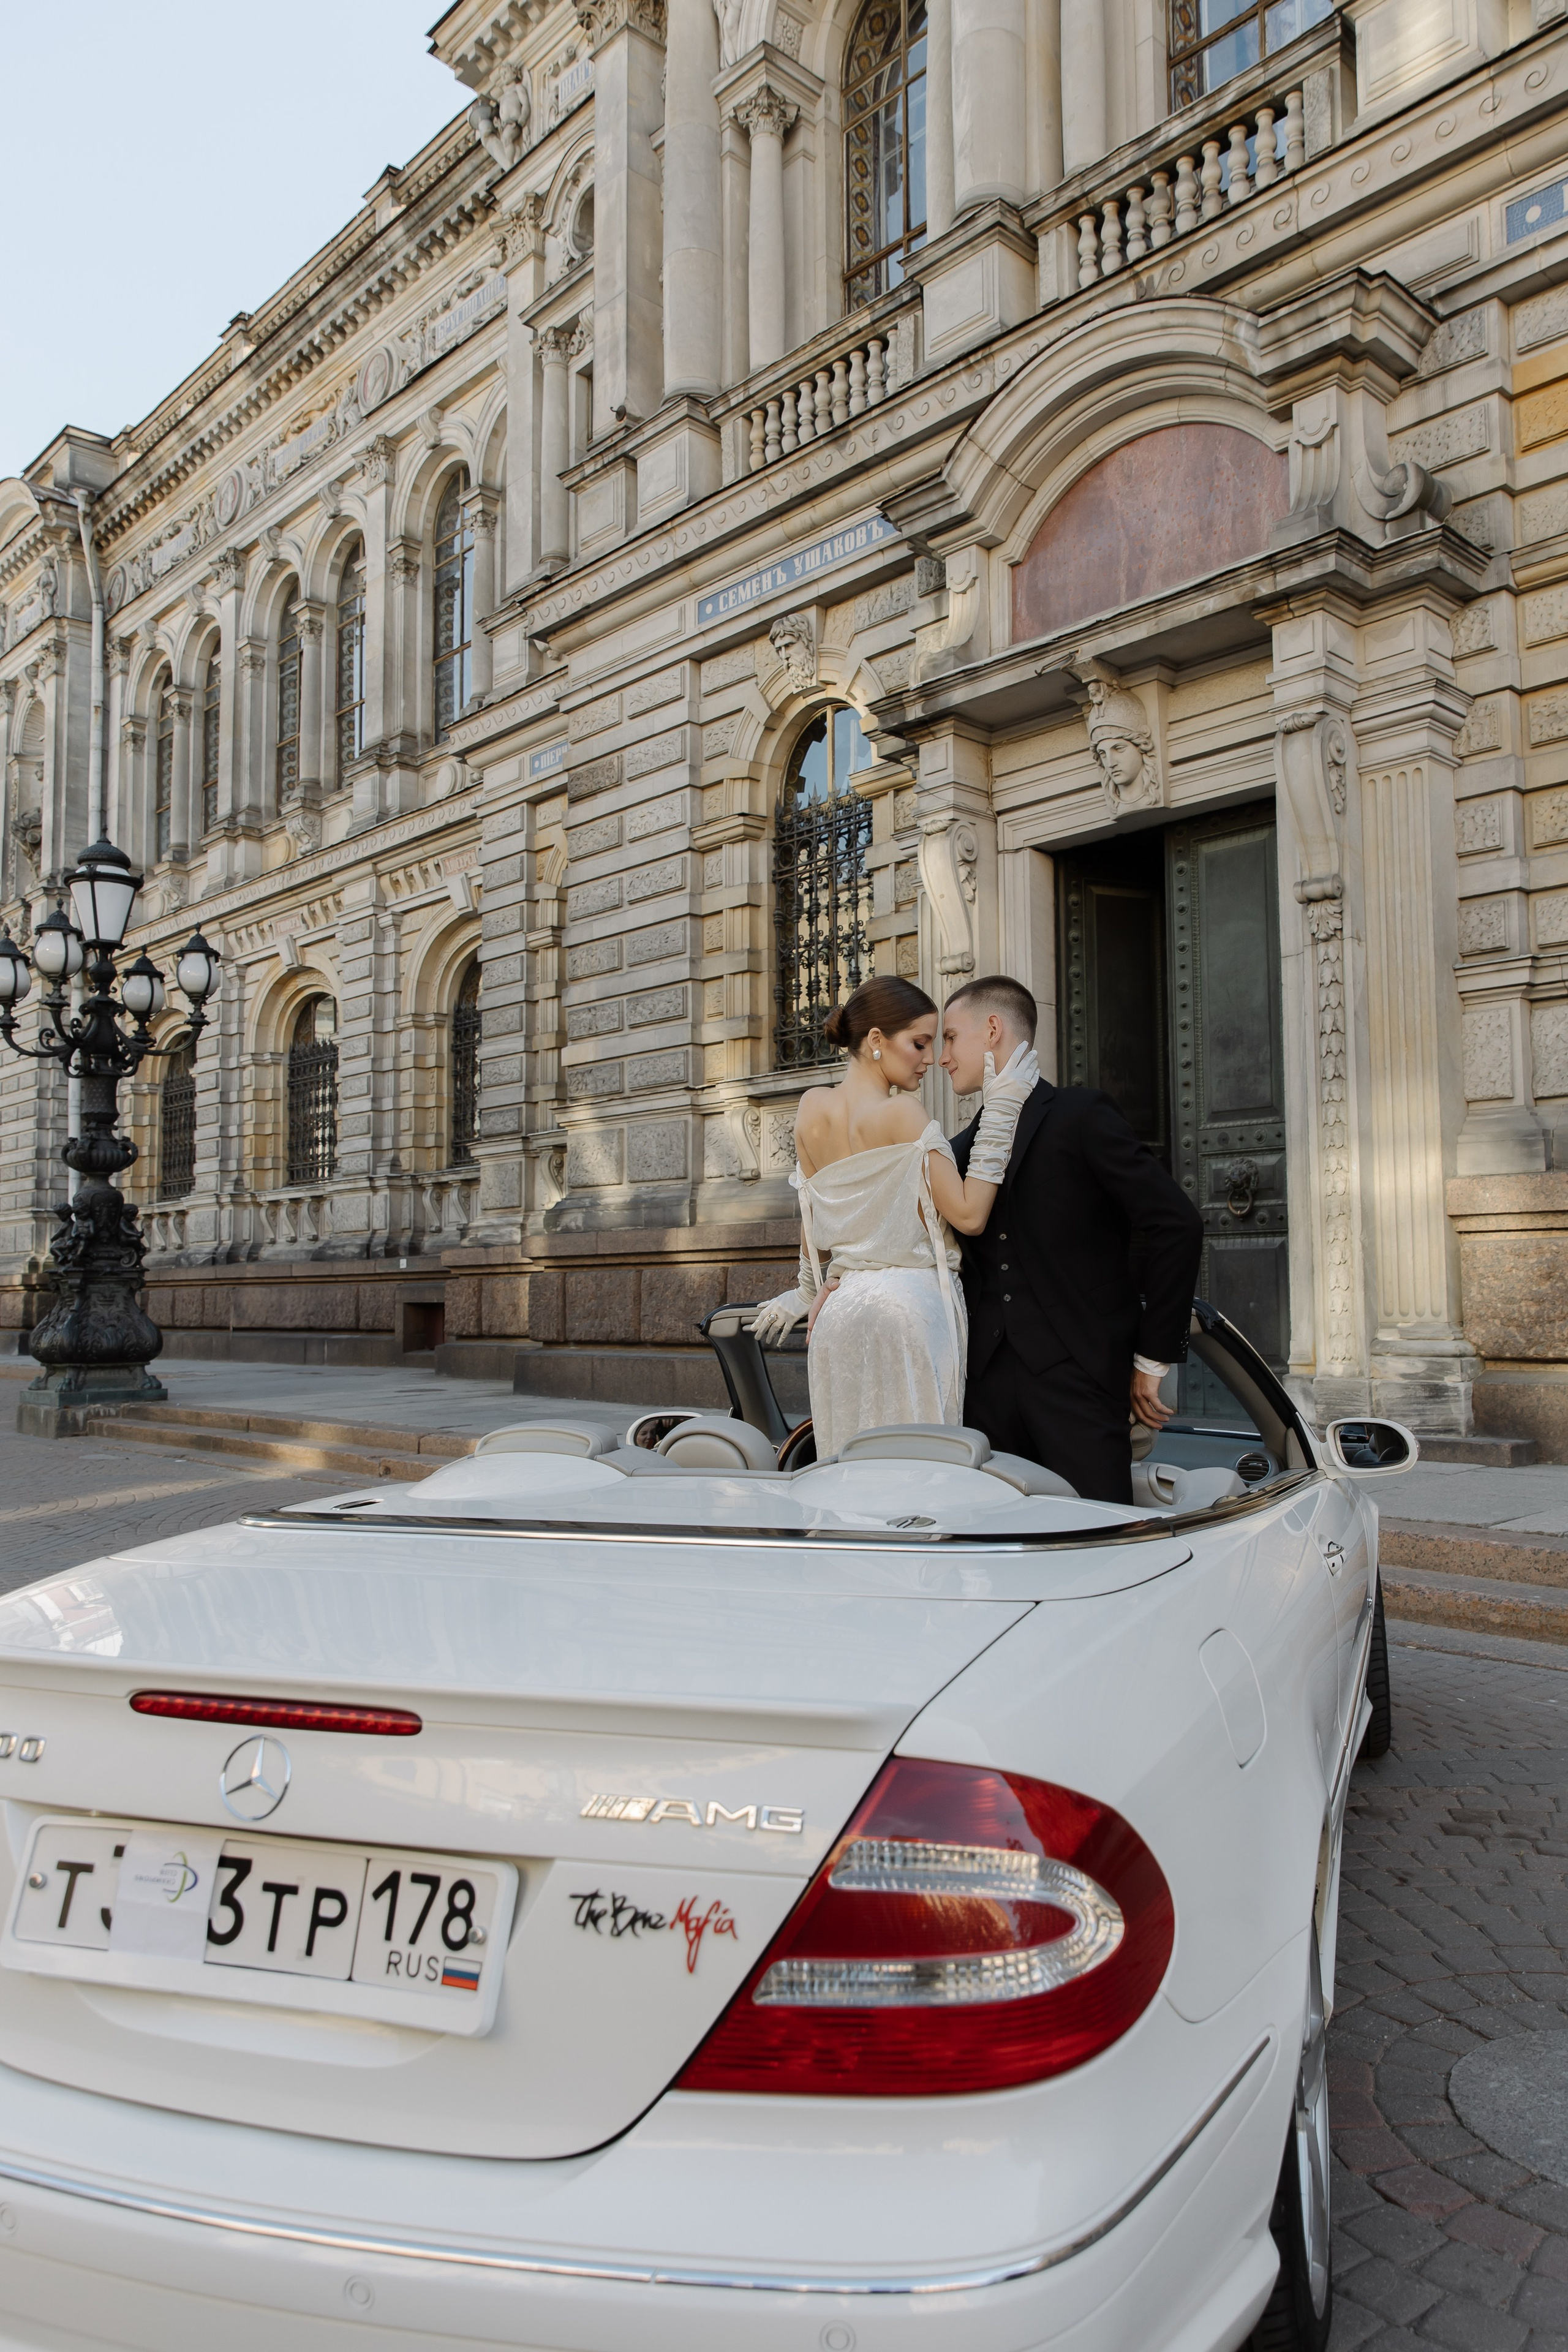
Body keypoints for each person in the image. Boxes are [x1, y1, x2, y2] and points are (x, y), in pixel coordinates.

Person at [940, 974, 1205, 1506]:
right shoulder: (955, 1148)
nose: (942, 1056)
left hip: (1079, 1380)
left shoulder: (1081, 1116)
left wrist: (1151, 1360)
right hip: (985, 1391)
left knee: (1101, 1546)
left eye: (949, 1037)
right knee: (994, 1552)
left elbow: (1177, 1224)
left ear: (992, 1029)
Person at [749, 976, 1038, 1458]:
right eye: (920, 1043)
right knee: (920, 1472)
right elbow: (968, 1216)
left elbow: (812, 1225)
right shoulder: (903, 1113)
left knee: (848, 1470)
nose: (930, 1059)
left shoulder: (809, 1109)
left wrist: (806, 1291)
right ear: (877, 1040)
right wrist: (1003, 1110)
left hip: (839, 1317)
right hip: (912, 1310)